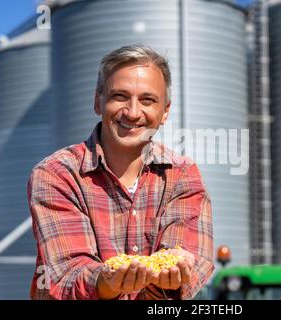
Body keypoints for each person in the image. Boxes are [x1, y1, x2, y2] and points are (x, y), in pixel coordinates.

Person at [27, 44, 214, 300]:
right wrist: (108, 281)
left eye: (147, 100)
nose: (133, 112)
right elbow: (66, 274)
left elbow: (188, 259)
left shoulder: (182, 175)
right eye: (120, 97)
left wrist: (171, 277)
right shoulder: (57, 174)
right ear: (97, 102)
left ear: (165, 112)